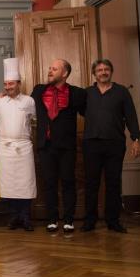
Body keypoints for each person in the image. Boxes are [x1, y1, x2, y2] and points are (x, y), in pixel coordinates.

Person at [81, 59, 140, 233]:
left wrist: (136, 139)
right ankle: (89, 220)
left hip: (115, 143)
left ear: (111, 71)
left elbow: (131, 116)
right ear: (94, 73)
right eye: (99, 70)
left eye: (106, 69)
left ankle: (113, 221)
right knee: (91, 183)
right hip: (91, 143)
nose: (103, 72)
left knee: (113, 183)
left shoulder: (121, 92)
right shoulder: (87, 93)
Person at [31, 59, 86, 233]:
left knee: (68, 182)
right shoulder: (39, 90)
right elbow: (23, 104)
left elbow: (90, 112)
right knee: (49, 183)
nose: (50, 71)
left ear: (64, 73)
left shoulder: (77, 93)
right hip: (45, 146)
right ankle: (52, 219)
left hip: (66, 146)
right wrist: (5, 94)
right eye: (49, 68)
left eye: (54, 69)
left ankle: (69, 220)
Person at [0, 58, 37, 232]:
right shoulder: (0, 102)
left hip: (24, 146)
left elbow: (34, 121)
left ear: (19, 83)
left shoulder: (29, 101)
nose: (8, 87)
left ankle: (25, 217)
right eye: (5, 84)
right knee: (8, 184)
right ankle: (13, 217)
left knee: (25, 183)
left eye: (11, 83)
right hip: (6, 147)